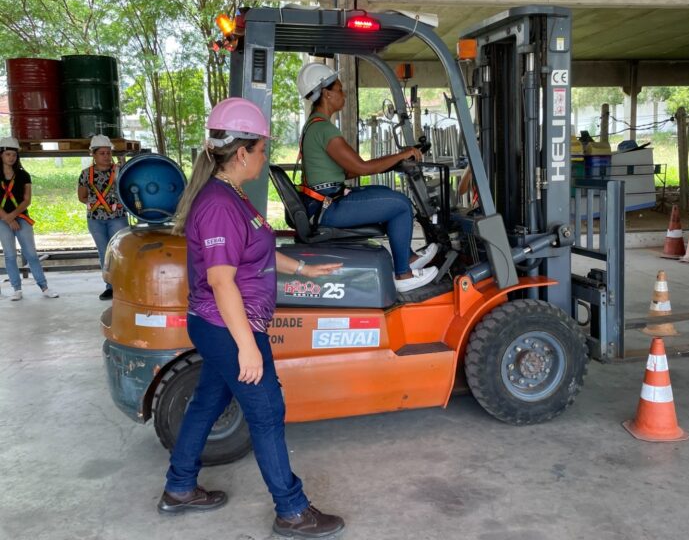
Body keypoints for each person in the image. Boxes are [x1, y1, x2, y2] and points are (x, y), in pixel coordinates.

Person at [158, 97, 345, 539]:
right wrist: (247, 347)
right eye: (262, 148)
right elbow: (223, 282)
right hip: (228, 325)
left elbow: (256, 251)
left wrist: (304, 268)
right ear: (241, 152)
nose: (265, 156)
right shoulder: (221, 204)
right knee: (266, 410)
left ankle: (179, 487)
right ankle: (292, 511)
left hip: (227, 324)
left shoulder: (233, 195)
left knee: (209, 401)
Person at [296, 62, 438, 293]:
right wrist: (402, 154)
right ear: (326, 93)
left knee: (389, 197)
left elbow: (350, 170)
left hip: (326, 200)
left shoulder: (315, 126)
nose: (343, 94)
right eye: (340, 89)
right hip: (328, 207)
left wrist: (392, 163)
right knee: (400, 205)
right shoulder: (324, 130)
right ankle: (403, 273)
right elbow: (361, 168)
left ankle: (408, 258)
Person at [0, 137, 58, 301]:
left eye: (14, 155)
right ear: (1, 155)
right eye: (8, 154)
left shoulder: (23, 175)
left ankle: (44, 286)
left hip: (22, 217)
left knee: (31, 253)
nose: (11, 158)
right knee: (10, 254)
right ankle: (16, 289)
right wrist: (8, 219)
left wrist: (13, 216)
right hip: (3, 220)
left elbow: (27, 200)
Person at [77, 134, 129, 300]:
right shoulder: (86, 174)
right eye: (102, 153)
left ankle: (123, 285)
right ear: (93, 154)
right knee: (104, 253)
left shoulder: (119, 170)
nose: (106, 156)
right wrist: (98, 205)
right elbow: (82, 196)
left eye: (108, 153)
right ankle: (110, 287)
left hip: (117, 217)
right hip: (96, 220)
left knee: (120, 252)